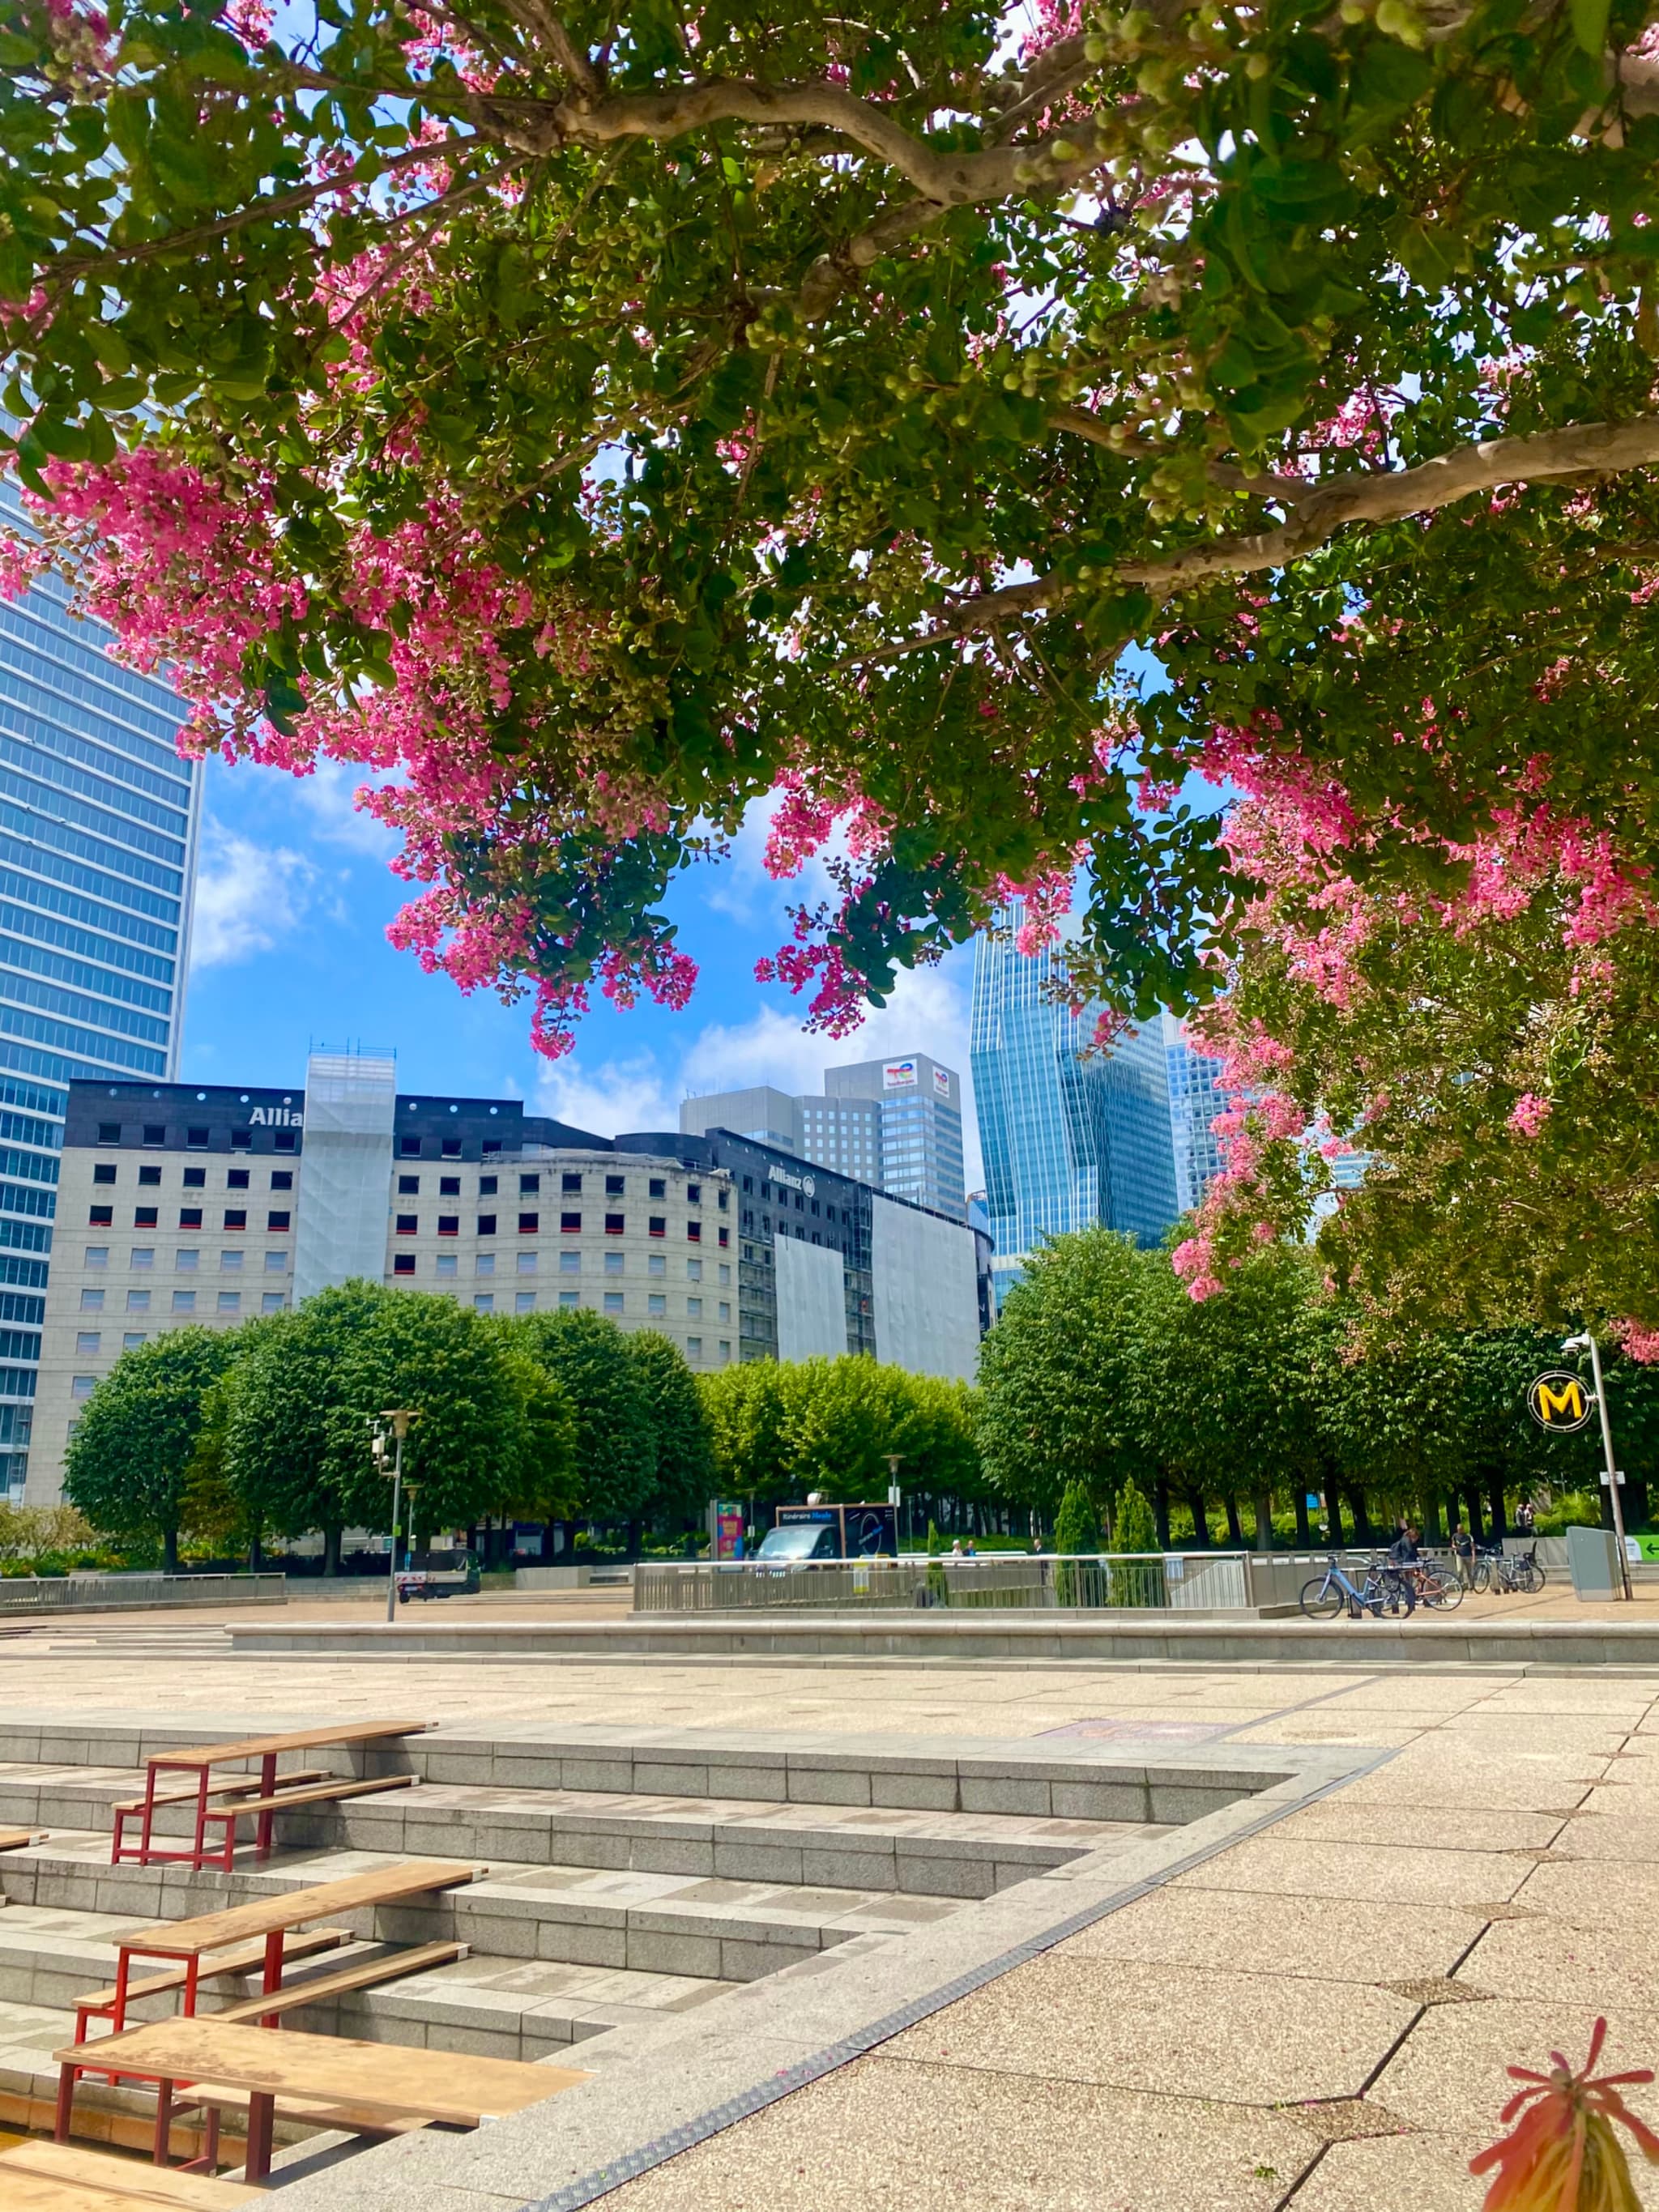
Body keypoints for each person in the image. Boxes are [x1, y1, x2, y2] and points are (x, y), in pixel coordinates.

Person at [1452, 1521, 1476, 1590]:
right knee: (1459, 1570)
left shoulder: (1468, 1536)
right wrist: (1454, 1547)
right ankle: (1461, 1584)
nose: (1459, 1531)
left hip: (1468, 1555)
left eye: (1460, 1529)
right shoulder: (1455, 1536)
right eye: (1458, 1529)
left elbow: (1472, 1547)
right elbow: (1453, 1544)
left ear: (1463, 1529)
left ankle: (1471, 1585)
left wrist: (1473, 1557)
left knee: (1469, 1571)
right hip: (1459, 1555)